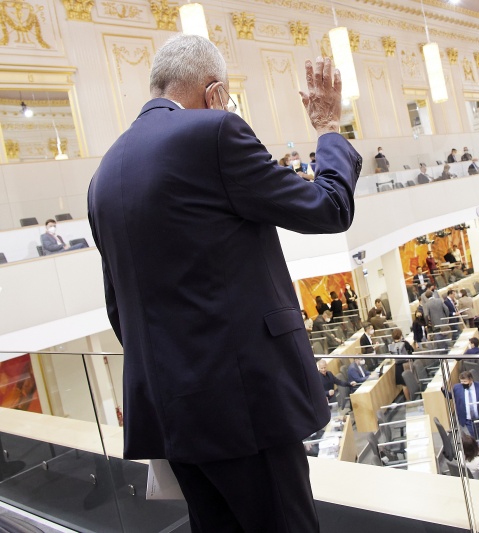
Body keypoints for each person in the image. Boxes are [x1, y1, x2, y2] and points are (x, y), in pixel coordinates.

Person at [87, 35, 361, 530]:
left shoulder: (104, 173)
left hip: (173, 417)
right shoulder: (213, 132)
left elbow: (117, 308)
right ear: (214, 95)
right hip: (245, 408)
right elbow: (329, 207)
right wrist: (328, 129)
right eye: (228, 100)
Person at [449, 371, 479, 438]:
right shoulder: (457, 387)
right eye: (461, 381)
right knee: (474, 438)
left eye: (465, 381)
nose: (463, 383)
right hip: (468, 420)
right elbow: (450, 396)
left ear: (471, 380)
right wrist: (444, 390)